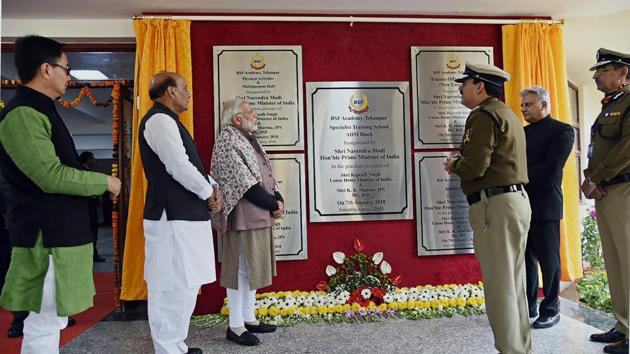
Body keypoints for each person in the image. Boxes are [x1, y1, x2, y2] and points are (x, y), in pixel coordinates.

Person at [0, 35, 121, 354]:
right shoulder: (23, 114)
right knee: (43, 322)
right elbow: (49, 176)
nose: (70, 76)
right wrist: (104, 183)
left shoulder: (40, 109)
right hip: (47, 238)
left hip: (60, 235)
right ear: (45, 69)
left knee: (51, 320)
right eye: (66, 69)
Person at [444, 63, 531, 354]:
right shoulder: (507, 113)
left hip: (495, 204)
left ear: (480, 86)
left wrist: (454, 164)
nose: (460, 88)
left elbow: (475, 166)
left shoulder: (482, 116)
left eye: (465, 83)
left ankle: (510, 350)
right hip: (513, 202)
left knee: (500, 286)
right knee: (513, 282)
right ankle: (520, 348)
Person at [139, 71, 222, 354]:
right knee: (170, 284)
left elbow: (191, 165)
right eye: (184, 87)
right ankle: (168, 348)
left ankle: (176, 344)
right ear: (170, 92)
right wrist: (207, 191)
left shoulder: (170, 121)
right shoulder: (159, 120)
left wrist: (212, 186)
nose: (189, 93)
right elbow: (177, 165)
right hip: (170, 216)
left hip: (185, 215)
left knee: (187, 283)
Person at [210, 98, 284, 346]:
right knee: (239, 269)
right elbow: (246, 184)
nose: (254, 114)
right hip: (242, 216)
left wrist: (278, 197)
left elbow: (266, 174)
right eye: (249, 111)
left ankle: (249, 318)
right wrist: (273, 204)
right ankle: (236, 325)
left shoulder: (247, 138)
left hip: (258, 214)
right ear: (236, 119)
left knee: (251, 269)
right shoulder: (228, 140)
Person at [582, 48, 630, 354]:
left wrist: (595, 177)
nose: (597, 75)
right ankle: (623, 326)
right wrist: (592, 179)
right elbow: (596, 149)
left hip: (624, 190)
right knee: (614, 263)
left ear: (623, 73)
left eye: (604, 70)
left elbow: (626, 149)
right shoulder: (610, 105)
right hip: (607, 191)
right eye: (597, 71)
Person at [520, 86, 574, 329]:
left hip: (545, 204)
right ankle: (528, 305)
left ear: (543, 104)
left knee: (548, 260)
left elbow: (552, 167)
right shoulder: (521, 133)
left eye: (528, 104)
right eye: (522, 105)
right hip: (519, 203)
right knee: (525, 259)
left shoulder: (562, 130)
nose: (523, 108)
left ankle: (551, 308)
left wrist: (517, 177)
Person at [79, 151, 106, 262]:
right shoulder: (84, 172)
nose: (94, 161)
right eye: (92, 159)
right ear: (88, 160)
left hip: (87, 208)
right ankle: (92, 254)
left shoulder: (84, 171)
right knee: (91, 232)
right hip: (88, 209)